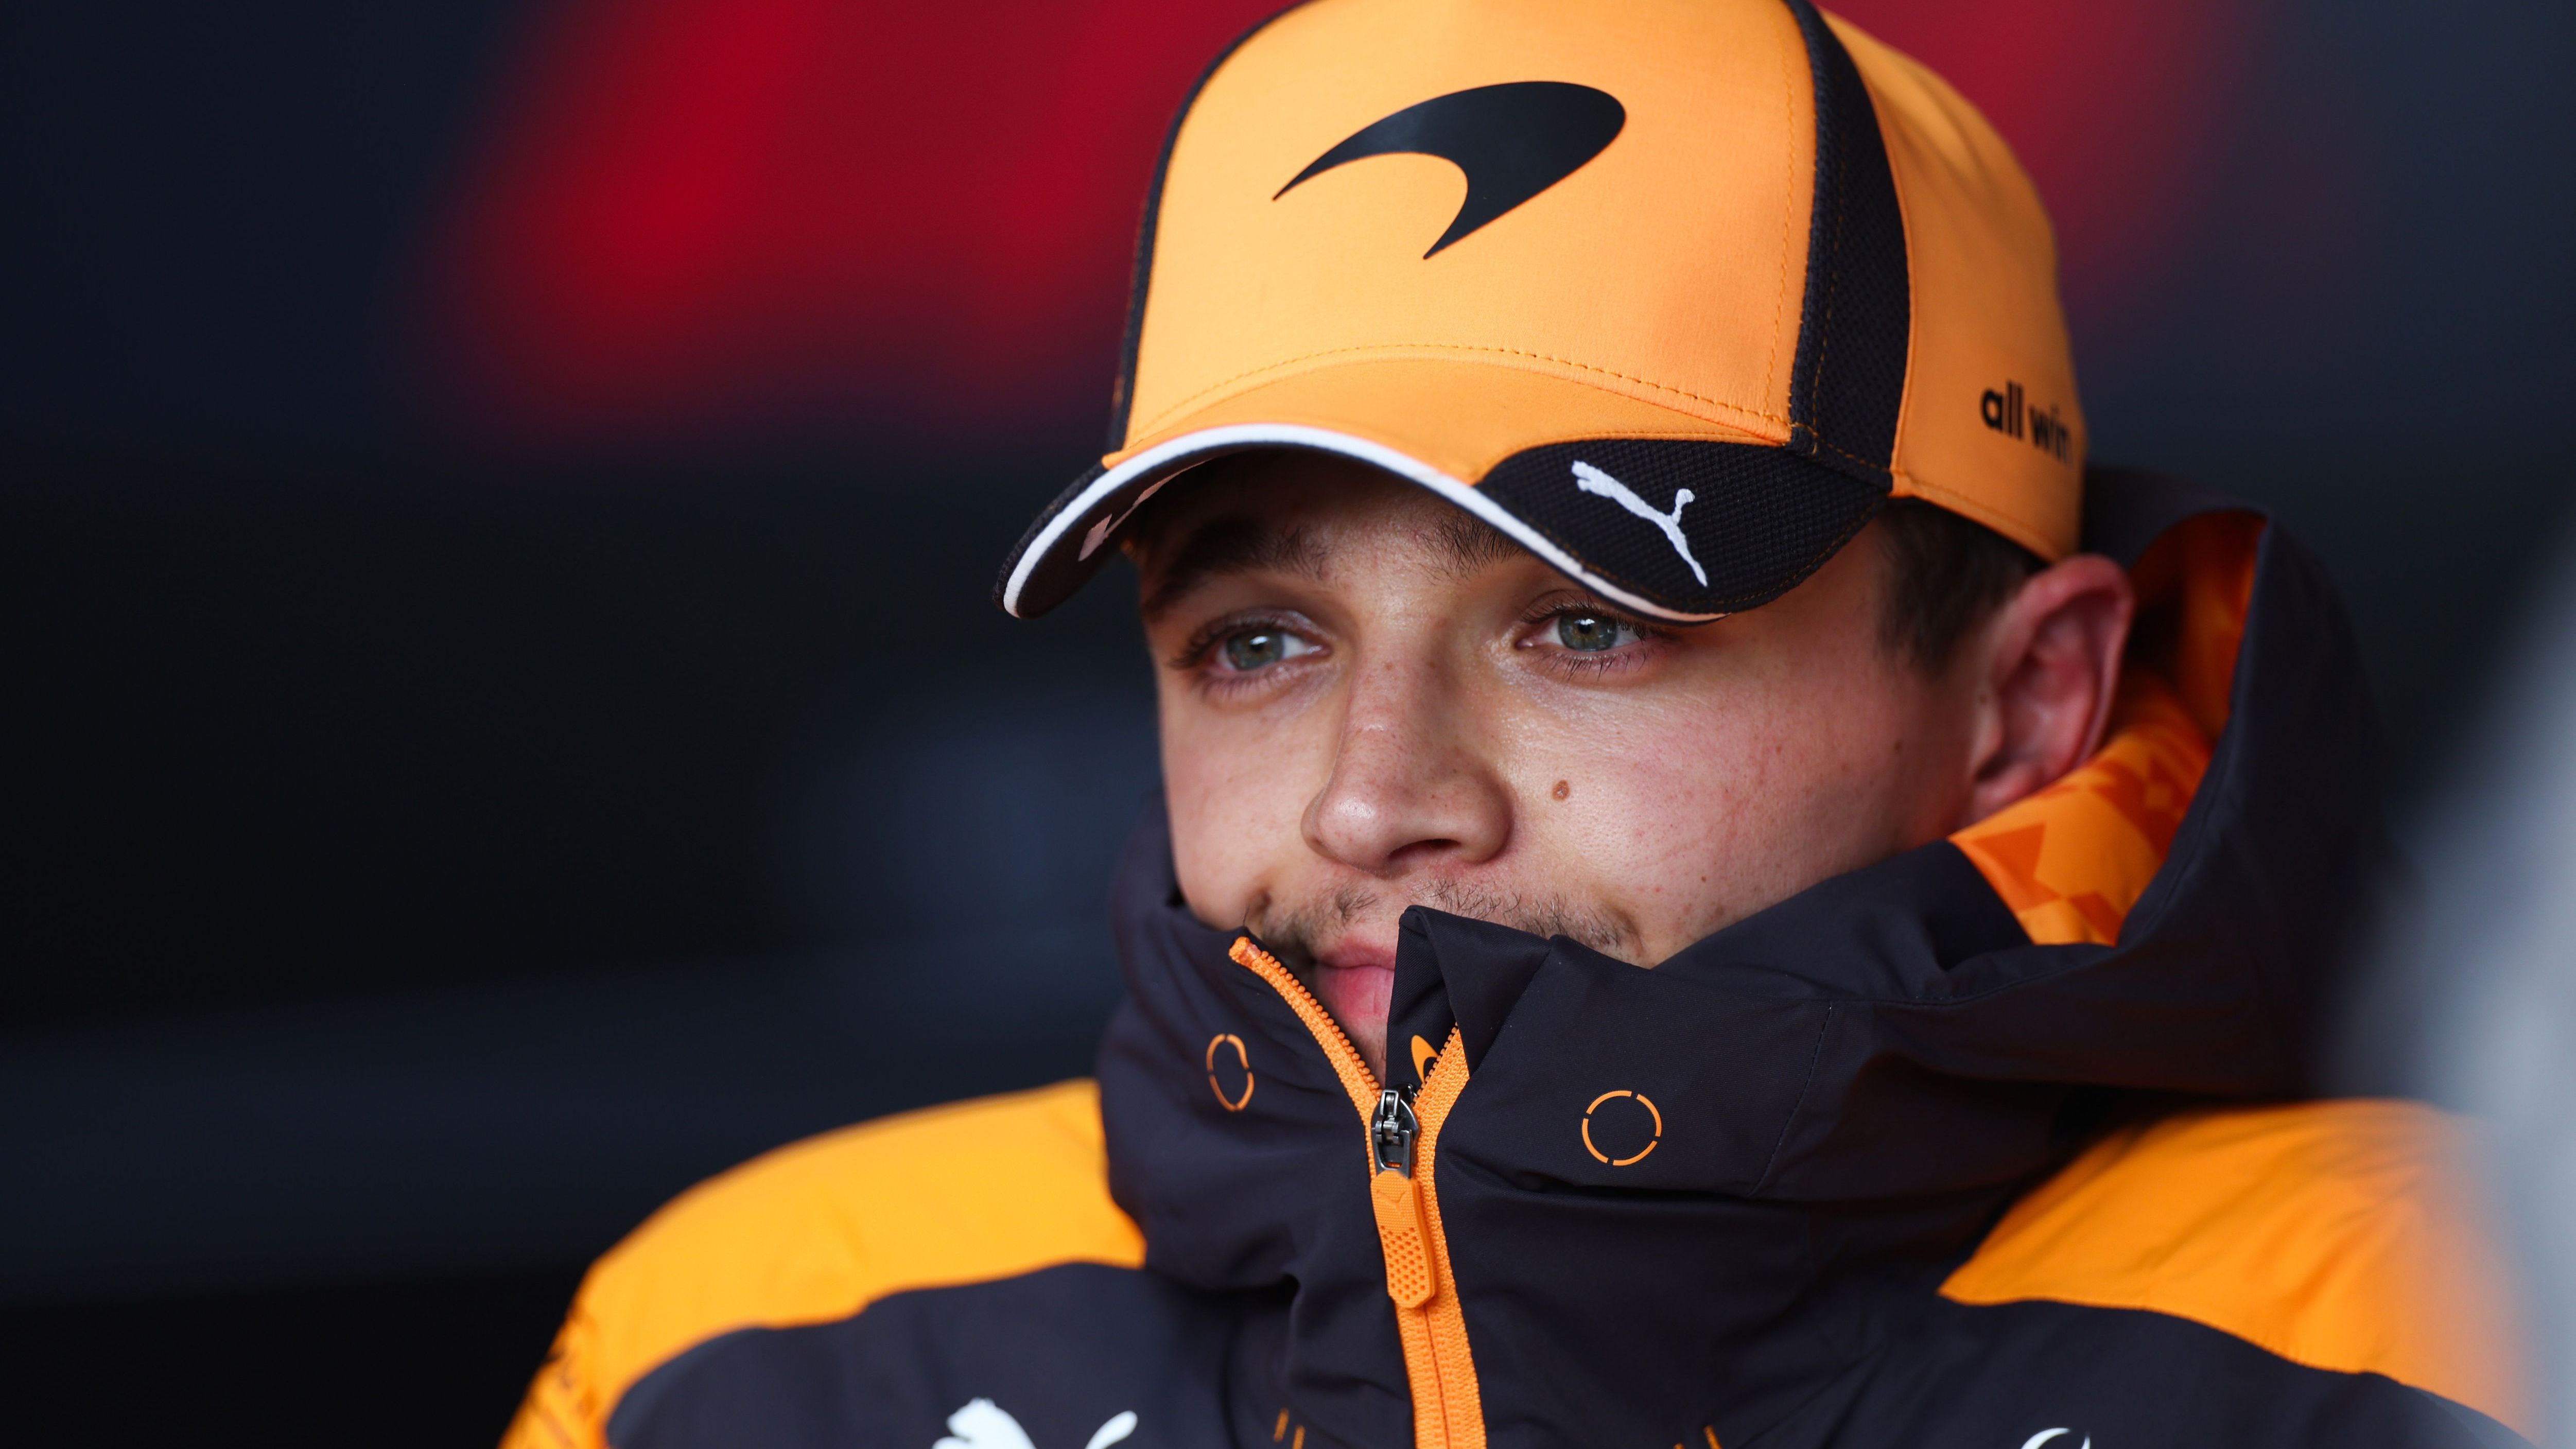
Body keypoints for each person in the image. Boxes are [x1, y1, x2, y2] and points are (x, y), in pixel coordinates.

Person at [503, 2, 2530, 1446]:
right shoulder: (756, 1349)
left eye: (1586, 623)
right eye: (1258, 642)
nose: (1374, 798)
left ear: (2028, 698)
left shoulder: (2460, 1328)